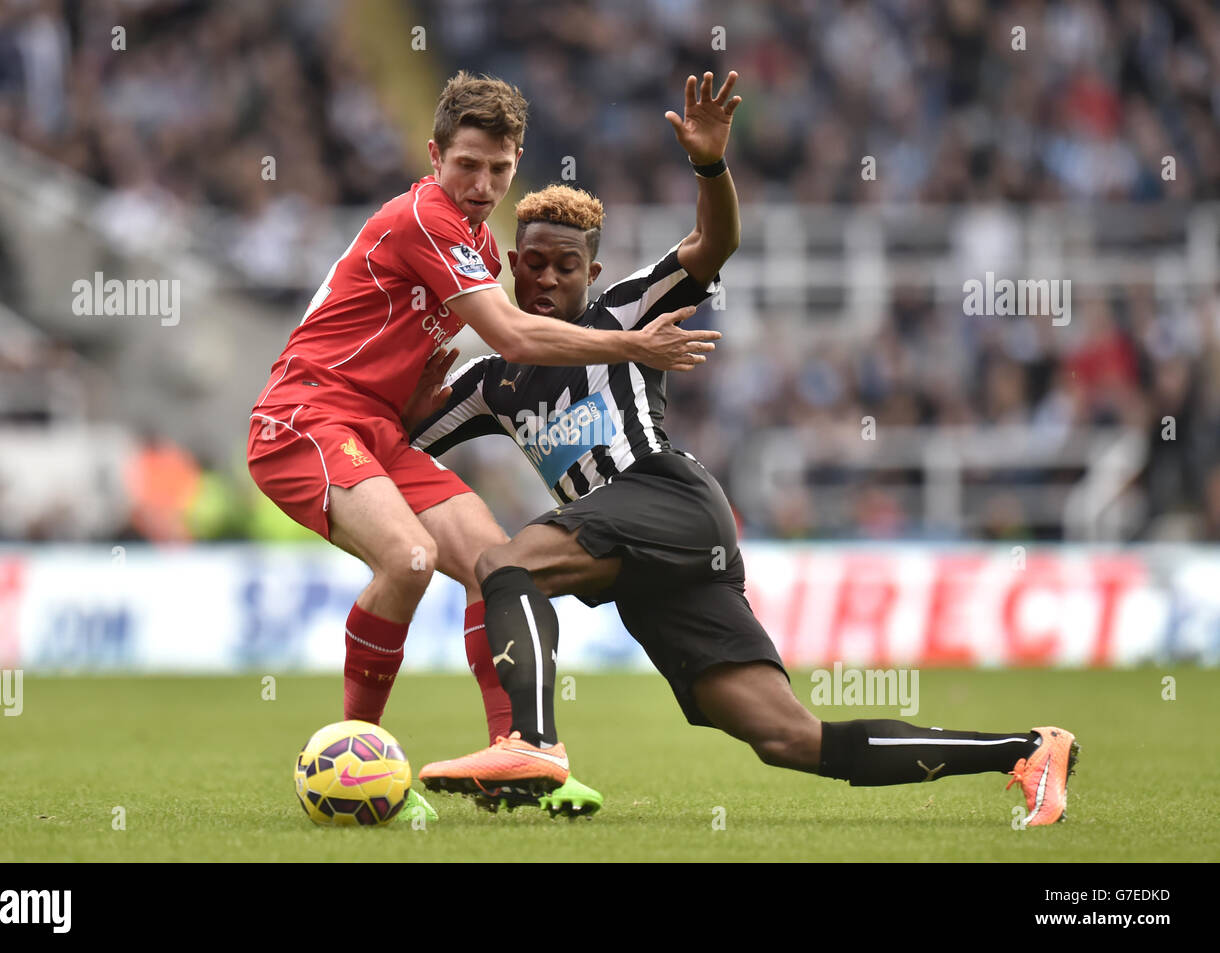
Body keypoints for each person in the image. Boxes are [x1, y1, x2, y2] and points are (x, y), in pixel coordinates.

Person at [406, 74, 1079, 828]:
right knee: (788, 735)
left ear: (591, 274)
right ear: (509, 265)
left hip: (665, 497)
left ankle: (531, 741)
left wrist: (710, 166)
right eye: (534, 263)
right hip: (645, 566)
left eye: (567, 265)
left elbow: (713, 242)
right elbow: (400, 439)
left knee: (505, 565)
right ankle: (1028, 750)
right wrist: (407, 370)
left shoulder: (622, 310)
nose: (549, 277)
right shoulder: (492, 380)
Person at [247, 71, 719, 821]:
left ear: (516, 160)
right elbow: (506, 333)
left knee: (496, 567)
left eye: (499, 168)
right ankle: (357, 766)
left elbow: (428, 364)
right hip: (309, 414)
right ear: (435, 155)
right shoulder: (425, 216)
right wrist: (633, 344)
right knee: (408, 558)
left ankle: (518, 756)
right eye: (467, 163)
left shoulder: (474, 242)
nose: (482, 182)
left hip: (376, 427)